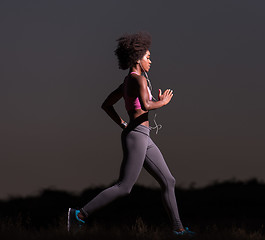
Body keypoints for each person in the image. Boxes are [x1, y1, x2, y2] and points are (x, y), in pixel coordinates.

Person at [67, 32, 194, 236]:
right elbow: (146, 105)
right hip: (136, 136)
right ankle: (79, 215)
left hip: (141, 135)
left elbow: (107, 104)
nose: (151, 61)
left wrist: (123, 123)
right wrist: (162, 102)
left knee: (168, 181)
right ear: (137, 58)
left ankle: (178, 229)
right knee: (125, 186)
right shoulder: (139, 80)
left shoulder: (127, 82)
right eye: (148, 57)